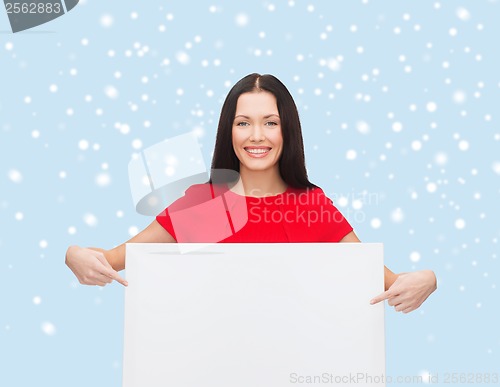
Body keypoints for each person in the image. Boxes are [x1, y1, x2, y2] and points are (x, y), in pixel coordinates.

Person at [65, 73, 437, 313]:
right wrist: (73, 255)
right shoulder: (209, 208)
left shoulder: (310, 207)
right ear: (229, 132)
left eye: (270, 123)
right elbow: (112, 259)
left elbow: (388, 283)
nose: (256, 135)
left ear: (286, 131)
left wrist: (429, 280)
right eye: (243, 123)